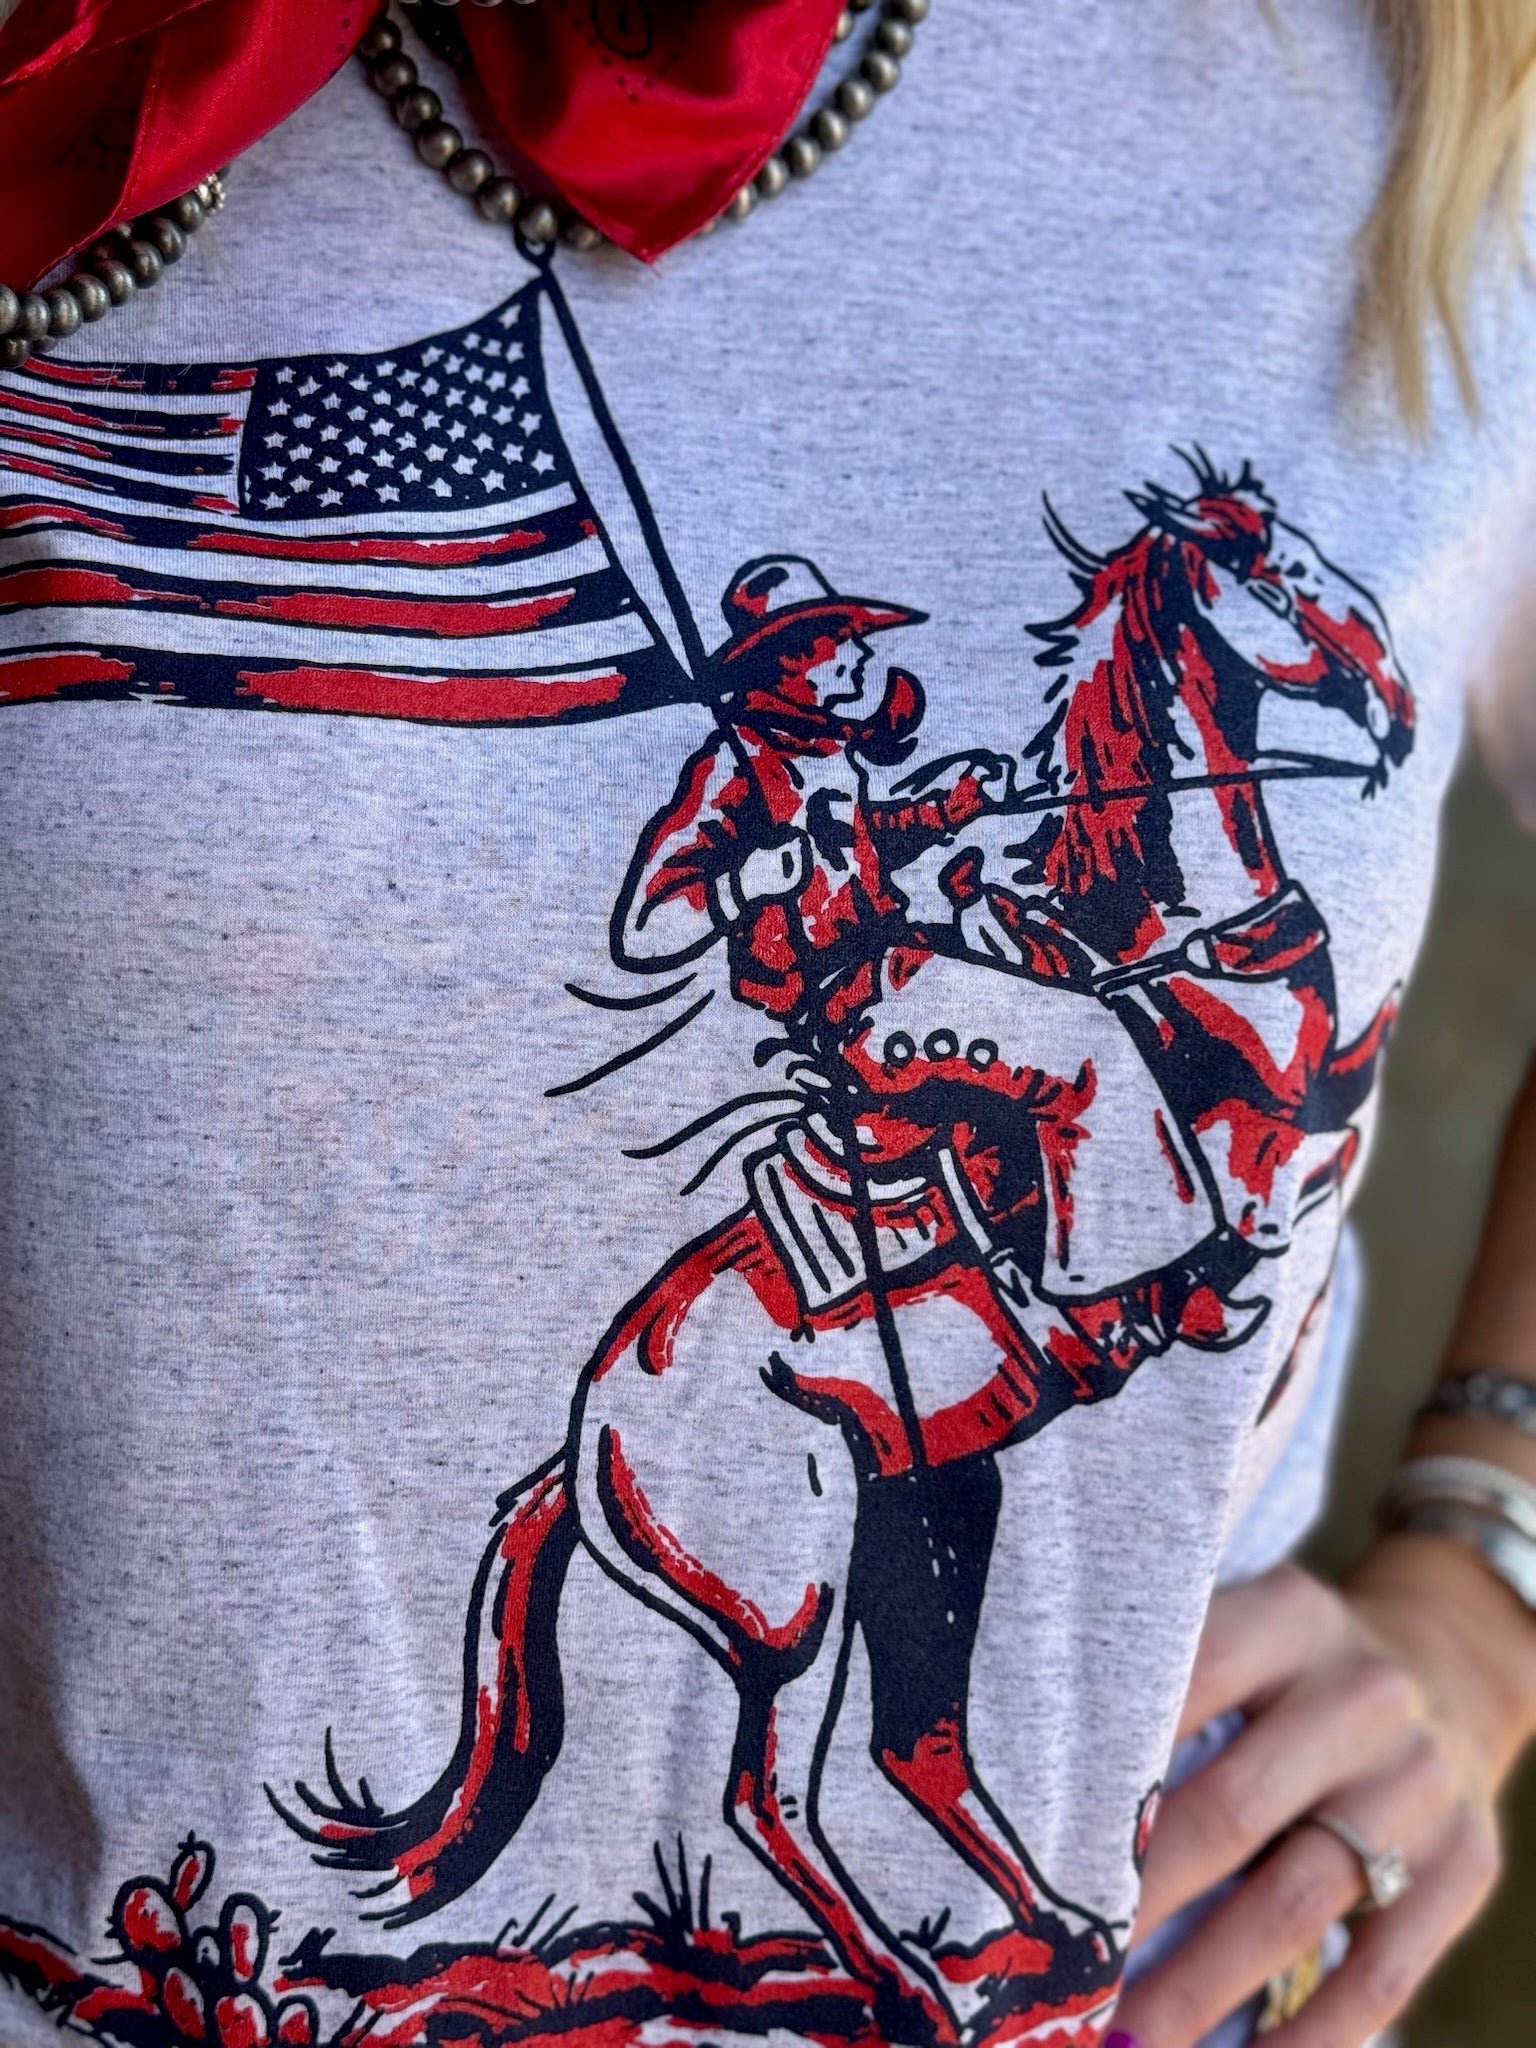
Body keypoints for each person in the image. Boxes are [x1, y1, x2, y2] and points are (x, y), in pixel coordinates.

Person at [0, 5, 1533, 2048]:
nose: (836, 684)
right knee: (1047, 1055)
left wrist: (1489, 1556)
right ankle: (1118, 1299)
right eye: (810, 668)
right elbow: (693, 913)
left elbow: (944, 809)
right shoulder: (741, 793)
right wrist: (778, 872)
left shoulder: (1413, 96)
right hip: (852, 1020)